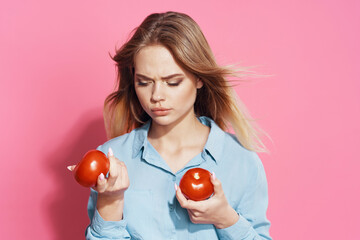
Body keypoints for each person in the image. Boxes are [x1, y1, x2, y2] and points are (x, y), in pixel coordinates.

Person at [69, 11, 271, 239]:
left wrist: (225, 218)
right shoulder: (110, 162)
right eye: (144, 82)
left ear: (199, 78)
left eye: (172, 82)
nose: (156, 96)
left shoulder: (241, 161)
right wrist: (111, 200)